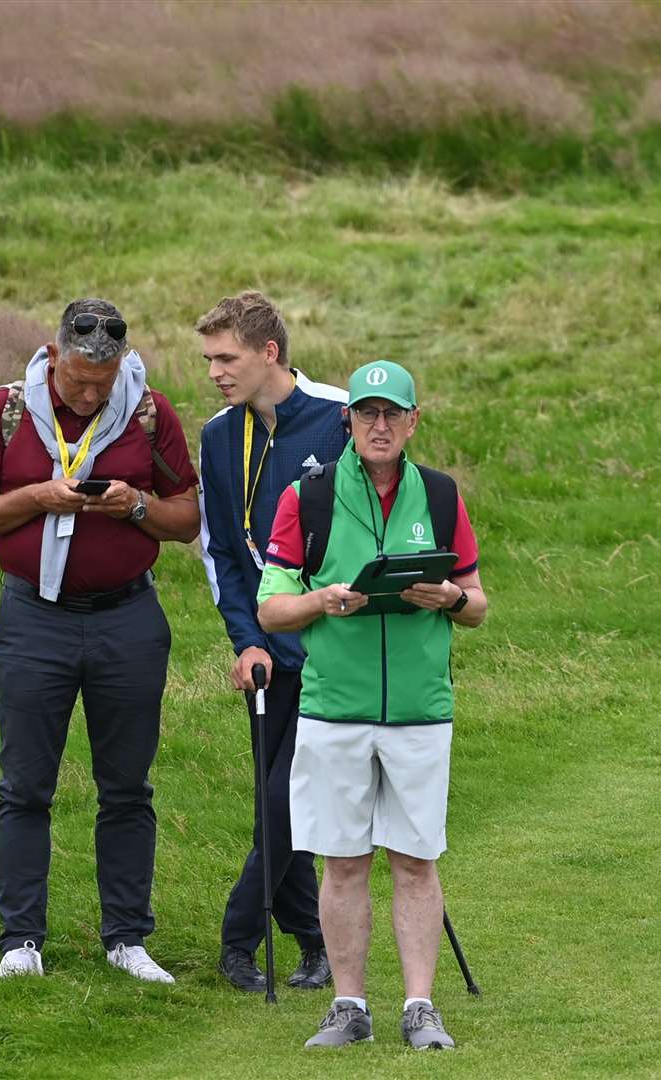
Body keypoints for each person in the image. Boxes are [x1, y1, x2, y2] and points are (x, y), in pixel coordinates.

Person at [0, 298, 201, 983]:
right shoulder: (3, 410)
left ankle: (126, 940)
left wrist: (136, 505)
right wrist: (37, 498)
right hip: (34, 620)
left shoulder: (151, 412)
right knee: (25, 783)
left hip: (128, 619)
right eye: (79, 380)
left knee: (127, 787)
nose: (92, 394)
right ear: (52, 356)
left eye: (105, 381)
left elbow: (186, 519)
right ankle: (21, 941)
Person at [257, 360, 487, 1051]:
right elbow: (272, 608)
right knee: (344, 860)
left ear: (414, 422)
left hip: (420, 709)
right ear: (348, 421)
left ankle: (419, 1007)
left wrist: (448, 597)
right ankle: (348, 1005)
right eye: (366, 413)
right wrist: (323, 600)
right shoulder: (309, 498)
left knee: (416, 859)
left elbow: (477, 605)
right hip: (335, 709)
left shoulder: (442, 496)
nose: (379, 425)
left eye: (392, 414)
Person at [195, 291, 347, 993]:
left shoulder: (340, 416)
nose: (215, 372)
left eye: (226, 358)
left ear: (269, 353)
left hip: (333, 648)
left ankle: (237, 941)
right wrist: (245, 639)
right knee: (279, 798)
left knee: (288, 798)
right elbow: (223, 552)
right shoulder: (219, 437)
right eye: (209, 360)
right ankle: (313, 942)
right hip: (268, 654)